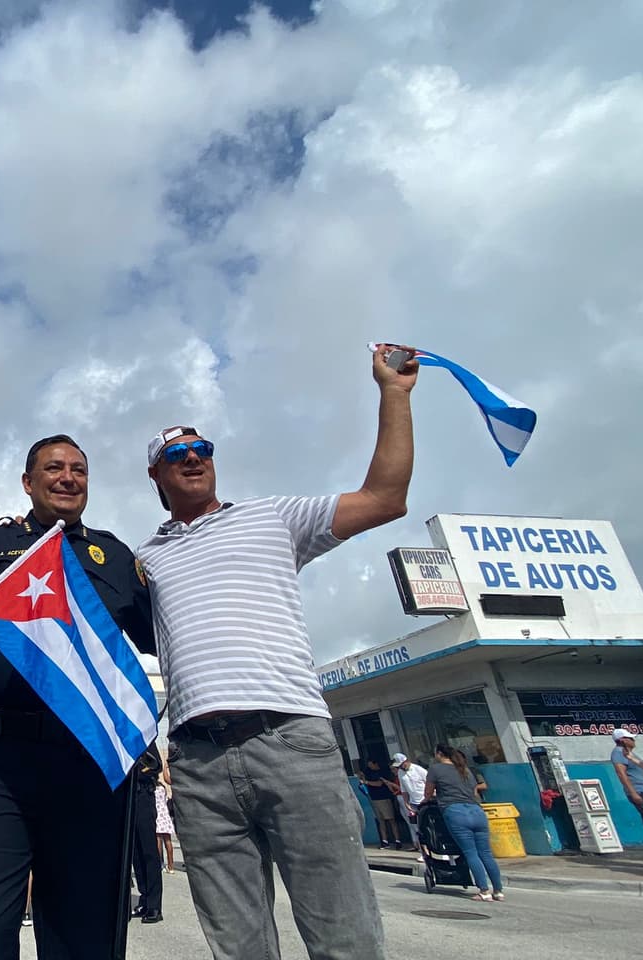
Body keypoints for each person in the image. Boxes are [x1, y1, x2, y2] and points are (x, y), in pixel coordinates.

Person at [135, 345, 419, 960]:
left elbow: (384, 498)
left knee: (344, 937)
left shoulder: (275, 517)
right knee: (238, 947)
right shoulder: (145, 562)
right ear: (156, 478)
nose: (192, 459)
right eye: (175, 456)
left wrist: (393, 394)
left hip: (290, 740)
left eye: (201, 450)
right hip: (197, 761)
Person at [0, 434, 155, 960]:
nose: (68, 477)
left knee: (86, 937)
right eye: (53, 468)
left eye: (78, 469)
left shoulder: (115, 556)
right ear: (28, 483)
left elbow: (166, 635)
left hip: (89, 761)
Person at [422, 744, 504, 902]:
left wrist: (426, 801)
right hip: (477, 811)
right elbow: (473, 792)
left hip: (456, 812)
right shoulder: (465, 769)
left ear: (439, 754)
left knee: (470, 853)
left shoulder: (435, 769)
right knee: (486, 853)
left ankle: (484, 891)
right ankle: (498, 891)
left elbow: (428, 792)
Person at [130, 742, 164, 924]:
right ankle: (144, 898)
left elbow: (156, 765)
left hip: (143, 795)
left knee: (149, 852)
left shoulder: (144, 740)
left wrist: (136, 771)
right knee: (135, 852)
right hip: (129, 799)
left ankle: (154, 905)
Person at [361, 759, 402, 849]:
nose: (370, 767)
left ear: (375, 763)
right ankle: (384, 841)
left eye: (371, 765)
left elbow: (379, 784)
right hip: (374, 799)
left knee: (391, 819)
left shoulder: (383, 772)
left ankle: (397, 840)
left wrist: (367, 782)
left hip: (384, 798)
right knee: (380, 821)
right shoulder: (369, 773)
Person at [392, 752, 429, 849]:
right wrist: (406, 802)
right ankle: (423, 850)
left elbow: (429, 783)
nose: (400, 768)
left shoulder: (419, 770)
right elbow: (404, 789)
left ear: (406, 761)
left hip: (425, 801)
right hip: (413, 803)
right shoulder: (401, 772)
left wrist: (429, 797)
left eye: (401, 765)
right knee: (418, 828)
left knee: (429, 825)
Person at [610, 728, 643, 824]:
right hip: (639, 791)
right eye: (631, 738)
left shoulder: (629, 754)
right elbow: (621, 774)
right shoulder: (618, 752)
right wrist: (633, 793)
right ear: (622, 740)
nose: (634, 740)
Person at [155, 764, 176, 874]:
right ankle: (171, 866)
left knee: (157, 840)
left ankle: (159, 864)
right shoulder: (162, 787)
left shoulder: (152, 789)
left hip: (157, 815)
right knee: (168, 841)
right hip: (165, 815)